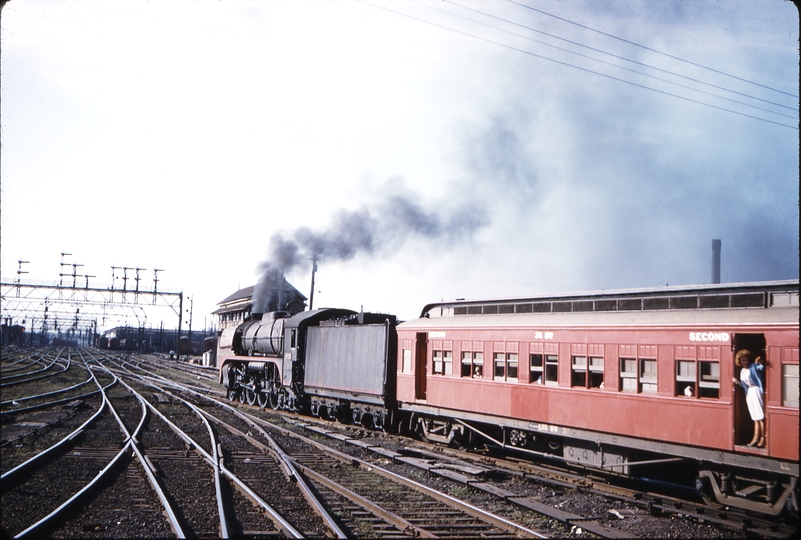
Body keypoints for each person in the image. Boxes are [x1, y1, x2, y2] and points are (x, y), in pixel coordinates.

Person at [732, 349, 765, 447]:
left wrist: (760, 361)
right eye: (743, 360)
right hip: (749, 392)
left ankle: (762, 438)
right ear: (740, 361)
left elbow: (761, 368)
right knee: (754, 416)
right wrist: (737, 382)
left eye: (746, 360)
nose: (745, 362)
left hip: (756, 390)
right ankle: (755, 438)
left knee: (760, 415)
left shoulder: (753, 367)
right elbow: (744, 385)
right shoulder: (742, 371)